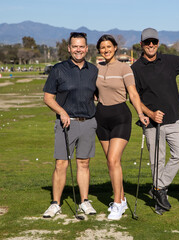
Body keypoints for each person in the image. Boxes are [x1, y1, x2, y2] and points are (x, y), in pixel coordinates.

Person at [131, 28, 179, 213]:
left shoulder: (168, 60)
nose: (151, 45)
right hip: (152, 123)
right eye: (147, 42)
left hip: (174, 117)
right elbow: (133, 98)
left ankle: (158, 188)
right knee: (157, 161)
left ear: (158, 43)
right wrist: (150, 114)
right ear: (141, 44)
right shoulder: (135, 69)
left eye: (154, 42)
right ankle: (160, 200)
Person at [42, 32, 98, 218]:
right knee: (61, 164)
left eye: (81, 46)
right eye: (75, 46)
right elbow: (48, 98)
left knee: (84, 163)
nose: (78, 50)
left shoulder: (93, 70)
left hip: (88, 123)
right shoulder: (58, 69)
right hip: (66, 124)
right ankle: (55, 203)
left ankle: (84, 202)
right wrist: (62, 112)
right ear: (69, 48)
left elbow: (96, 93)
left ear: (87, 48)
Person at [95, 34, 149, 220]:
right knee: (112, 163)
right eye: (102, 47)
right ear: (99, 50)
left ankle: (117, 204)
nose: (106, 50)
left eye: (109, 46)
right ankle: (122, 199)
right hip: (100, 118)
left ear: (115, 47)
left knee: (113, 159)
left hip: (120, 117)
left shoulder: (124, 68)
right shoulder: (96, 68)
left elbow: (133, 93)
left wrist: (141, 114)